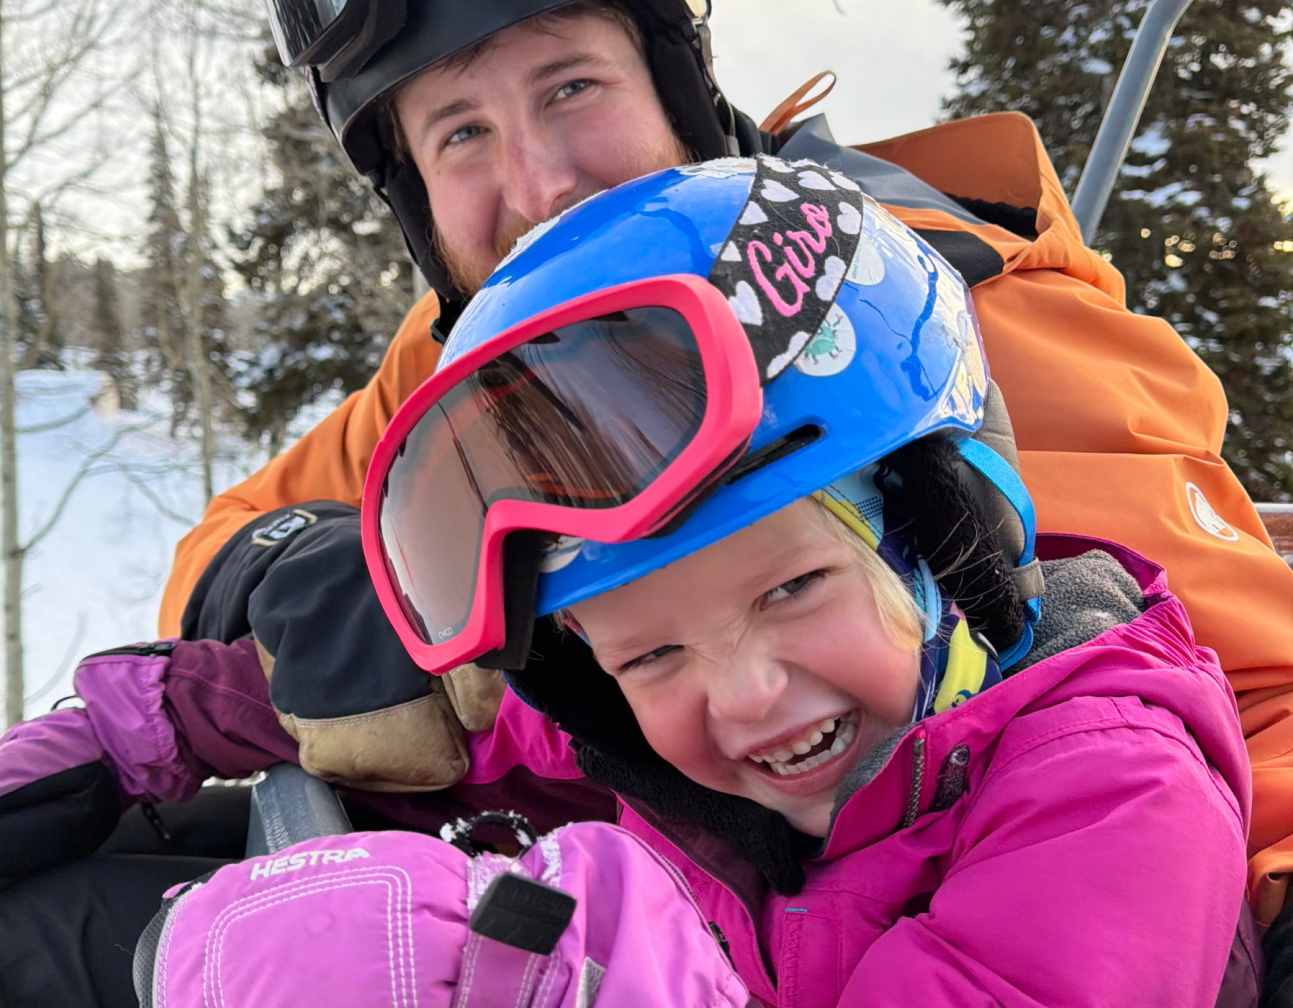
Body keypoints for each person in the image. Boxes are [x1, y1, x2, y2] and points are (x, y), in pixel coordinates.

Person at [155, 0, 1293, 934]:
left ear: (675, 88)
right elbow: (225, 543)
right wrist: (340, 592)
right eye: (461, 133)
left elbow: (1259, 702)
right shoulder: (468, 370)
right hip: (656, 896)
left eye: (570, 88)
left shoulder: (917, 317)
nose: (543, 183)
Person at [357, 156, 1258, 1005]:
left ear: (940, 537)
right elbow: (482, 732)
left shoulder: (1108, 795)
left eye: (790, 590)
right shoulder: (659, 740)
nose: (745, 696)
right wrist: (226, 704)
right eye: (654, 654)